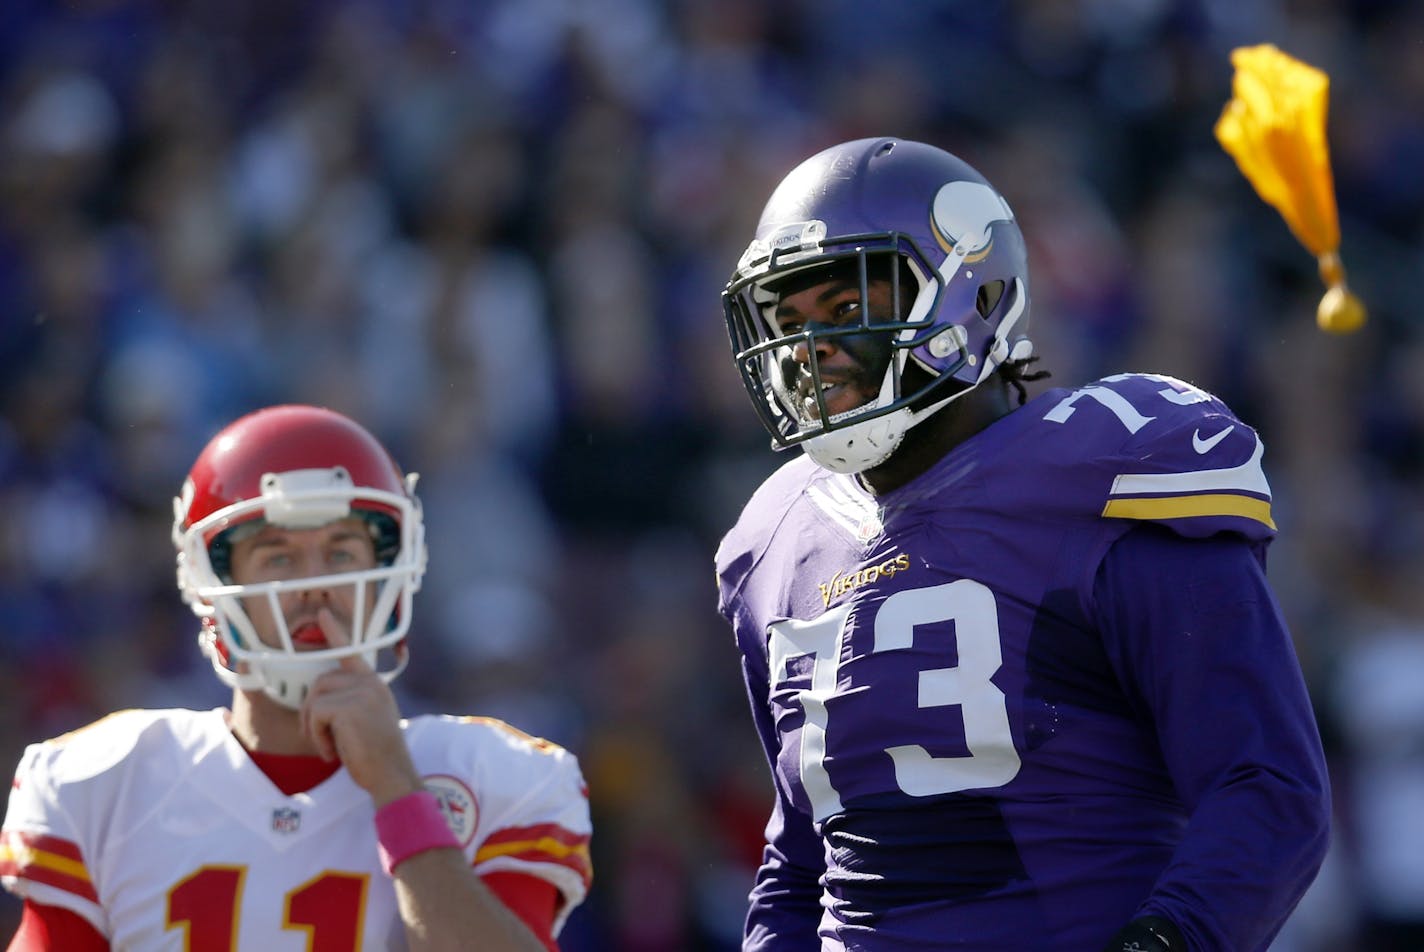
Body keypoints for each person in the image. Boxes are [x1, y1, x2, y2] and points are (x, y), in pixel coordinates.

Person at [714, 137, 1330, 951]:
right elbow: (800, 856)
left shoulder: (1108, 477)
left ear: (977, 293)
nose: (809, 349)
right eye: (788, 321)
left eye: (848, 306)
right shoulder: (776, 538)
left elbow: (1266, 784)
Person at [0, 405, 592, 951]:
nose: (313, 585)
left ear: (390, 574)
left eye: (340, 553)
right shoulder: (109, 785)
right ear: (214, 585)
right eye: (279, 556)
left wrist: (398, 792)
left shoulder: (491, 777)